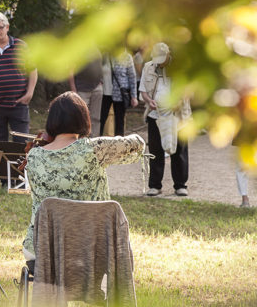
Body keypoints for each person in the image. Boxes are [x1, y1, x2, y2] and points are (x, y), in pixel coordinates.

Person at [22, 91, 145, 261]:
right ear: (83, 119)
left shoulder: (34, 156)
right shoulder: (95, 149)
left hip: (42, 248)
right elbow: (138, 144)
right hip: (89, 248)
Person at [139, 42, 191, 197]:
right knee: (155, 150)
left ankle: (180, 185)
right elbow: (143, 91)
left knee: (179, 150)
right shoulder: (148, 67)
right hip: (155, 115)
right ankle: (155, 185)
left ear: (168, 56)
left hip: (178, 114)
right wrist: (149, 101)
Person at [0, 12, 37, 145]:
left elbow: (32, 69)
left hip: (18, 104)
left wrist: (30, 93)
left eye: (0, 27)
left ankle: (19, 167)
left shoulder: (21, 46)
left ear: (7, 27)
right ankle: (2, 167)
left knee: (22, 144)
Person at [99, 51, 138, 136]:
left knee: (119, 121)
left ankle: (119, 145)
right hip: (104, 93)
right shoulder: (103, 56)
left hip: (120, 94)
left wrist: (134, 96)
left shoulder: (126, 57)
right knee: (101, 120)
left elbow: (132, 77)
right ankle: (99, 143)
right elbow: (98, 72)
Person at [68, 52, 103, 137]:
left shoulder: (97, 51)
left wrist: (101, 83)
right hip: (82, 89)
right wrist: (73, 89)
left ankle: (94, 141)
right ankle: (80, 141)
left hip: (97, 88)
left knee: (96, 117)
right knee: (81, 117)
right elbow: (70, 71)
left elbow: (99, 68)